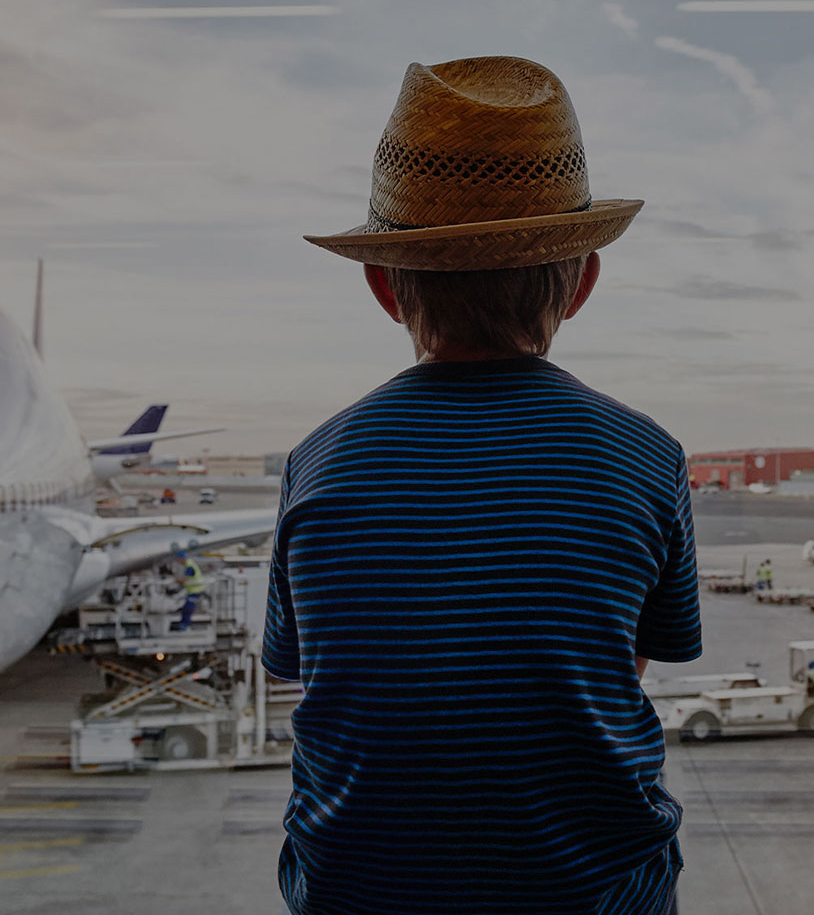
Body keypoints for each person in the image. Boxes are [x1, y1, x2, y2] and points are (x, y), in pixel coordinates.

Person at [263, 56, 702, 915]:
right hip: (589, 897)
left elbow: (304, 669)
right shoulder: (648, 455)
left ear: (383, 286)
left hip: (358, 896)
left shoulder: (317, 461)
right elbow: (630, 661)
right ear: (582, 282)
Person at [175, 551, 204, 631]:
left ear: (182, 559)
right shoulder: (189, 564)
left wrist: (176, 580)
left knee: (187, 609)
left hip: (195, 590)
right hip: (193, 590)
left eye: (179, 559)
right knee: (186, 608)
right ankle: (184, 624)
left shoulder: (189, 566)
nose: (178, 561)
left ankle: (185, 626)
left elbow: (185, 579)